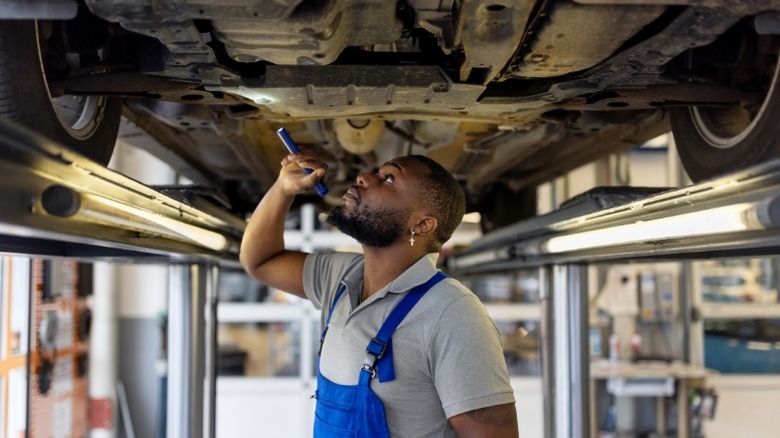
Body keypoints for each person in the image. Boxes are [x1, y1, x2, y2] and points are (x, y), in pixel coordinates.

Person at [240, 148, 518, 437]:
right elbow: (259, 260)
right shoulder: (342, 276)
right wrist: (283, 189)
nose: (363, 177)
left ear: (422, 224)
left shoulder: (454, 314)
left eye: (388, 179)